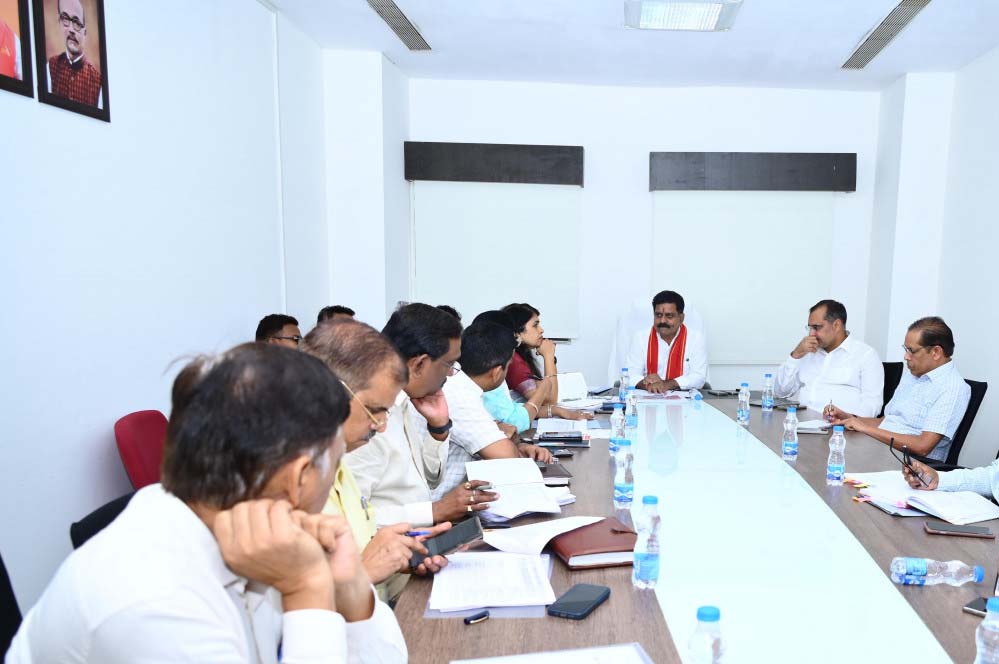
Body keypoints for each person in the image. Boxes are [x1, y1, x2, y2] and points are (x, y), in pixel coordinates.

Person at [7, 343, 406, 663]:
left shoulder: (254, 528)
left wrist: (351, 590)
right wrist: (309, 590)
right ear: (299, 477)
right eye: (335, 463)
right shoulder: (154, 602)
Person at [302, 319, 451, 601]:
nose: (381, 426)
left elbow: (366, 541)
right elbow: (300, 605)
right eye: (373, 411)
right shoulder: (291, 483)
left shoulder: (338, 460)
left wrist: (402, 552)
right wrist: (366, 572)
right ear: (328, 395)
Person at [345, 303, 500, 527]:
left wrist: (439, 429)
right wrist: (436, 510)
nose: (451, 374)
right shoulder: (366, 416)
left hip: (418, 536)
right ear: (419, 364)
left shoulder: (406, 399)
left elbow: (429, 481)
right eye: (449, 364)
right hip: (390, 544)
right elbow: (350, 519)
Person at [433, 320, 554, 499]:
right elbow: (507, 457)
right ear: (497, 372)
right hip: (439, 507)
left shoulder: (462, 385)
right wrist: (513, 448)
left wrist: (519, 446)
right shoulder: (459, 394)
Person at [829, 317, 971, 462]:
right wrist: (850, 418)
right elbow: (886, 422)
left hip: (908, 463)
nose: (906, 356)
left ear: (936, 352)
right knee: (828, 450)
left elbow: (922, 446)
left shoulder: (952, 388)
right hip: (881, 449)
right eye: (906, 349)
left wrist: (865, 428)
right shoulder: (913, 375)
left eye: (912, 351)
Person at [774, 299, 883, 417]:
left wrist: (850, 421)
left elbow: (872, 404)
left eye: (816, 327)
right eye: (810, 328)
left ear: (836, 325)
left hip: (839, 426)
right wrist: (796, 355)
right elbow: (781, 392)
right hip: (800, 421)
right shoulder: (808, 352)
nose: (811, 334)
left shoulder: (866, 355)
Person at [502, 303, 592, 421]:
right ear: (517, 332)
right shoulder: (514, 361)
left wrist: (550, 357)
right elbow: (549, 401)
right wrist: (548, 356)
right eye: (535, 325)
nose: (541, 330)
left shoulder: (520, 356)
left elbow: (547, 394)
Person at [625, 290, 707, 393]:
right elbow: (630, 375)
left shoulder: (695, 339)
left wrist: (666, 384)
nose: (662, 321)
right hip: (647, 396)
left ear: (681, 318)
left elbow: (698, 377)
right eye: (658, 315)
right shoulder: (640, 338)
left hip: (683, 398)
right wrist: (647, 382)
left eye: (669, 316)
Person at [46, 0, 103, 107]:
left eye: (77, 23)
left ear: (85, 33)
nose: (71, 29)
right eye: (66, 19)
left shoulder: (98, 82)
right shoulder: (51, 67)